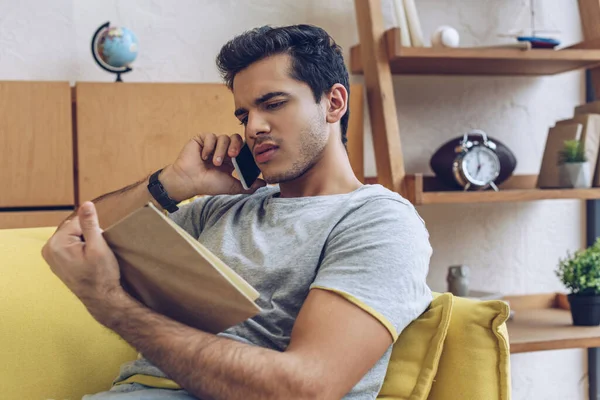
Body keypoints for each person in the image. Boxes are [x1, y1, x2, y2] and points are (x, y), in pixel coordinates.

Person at [42, 24, 433, 400]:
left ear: (333, 103)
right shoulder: (216, 210)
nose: (253, 128)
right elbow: (71, 241)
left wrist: (112, 306)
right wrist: (174, 182)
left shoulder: (378, 220)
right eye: (243, 115)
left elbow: (305, 388)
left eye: (273, 104)